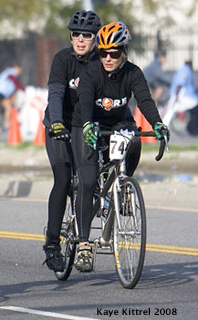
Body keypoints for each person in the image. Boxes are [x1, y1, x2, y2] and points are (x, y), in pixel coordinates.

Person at [71, 22, 169, 272]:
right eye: (103, 52)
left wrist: (158, 124)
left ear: (124, 51)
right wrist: (86, 125)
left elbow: (145, 100)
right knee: (89, 180)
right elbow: (84, 101)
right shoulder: (92, 73)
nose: (108, 58)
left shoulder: (133, 73)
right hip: (87, 123)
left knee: (135, 139)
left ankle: (124, 185)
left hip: (118, 122)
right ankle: (83, 244)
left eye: (114, 53)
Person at [41, 10, 102, 272]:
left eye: (86, 35)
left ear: (95, 38)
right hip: (61, 124)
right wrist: (56, 122)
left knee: (93, 178)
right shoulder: (62, 59)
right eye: (75, 34)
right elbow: (55, 93)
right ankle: (52, 245)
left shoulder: (103, 60)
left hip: (87, 126)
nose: (79, 39)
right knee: (63, 178)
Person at [166, 60, 198, 135]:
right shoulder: (185, 70)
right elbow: (179, 84)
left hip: (184, 96)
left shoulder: (182, 70)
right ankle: (192, 130)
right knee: (170, 112)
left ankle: (192, 129)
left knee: (170, 112)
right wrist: (176, 96)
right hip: (185, 97)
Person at [0, 63, 24, 128]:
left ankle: (11, 119)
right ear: (16, 67)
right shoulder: (11, 72)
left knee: (12, 102)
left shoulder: (13, 74)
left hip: (3, 93)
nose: (20, 72)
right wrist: (22, 89)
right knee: (8, 107)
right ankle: (6, 124)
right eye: (19, 70)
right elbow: (14, 81)